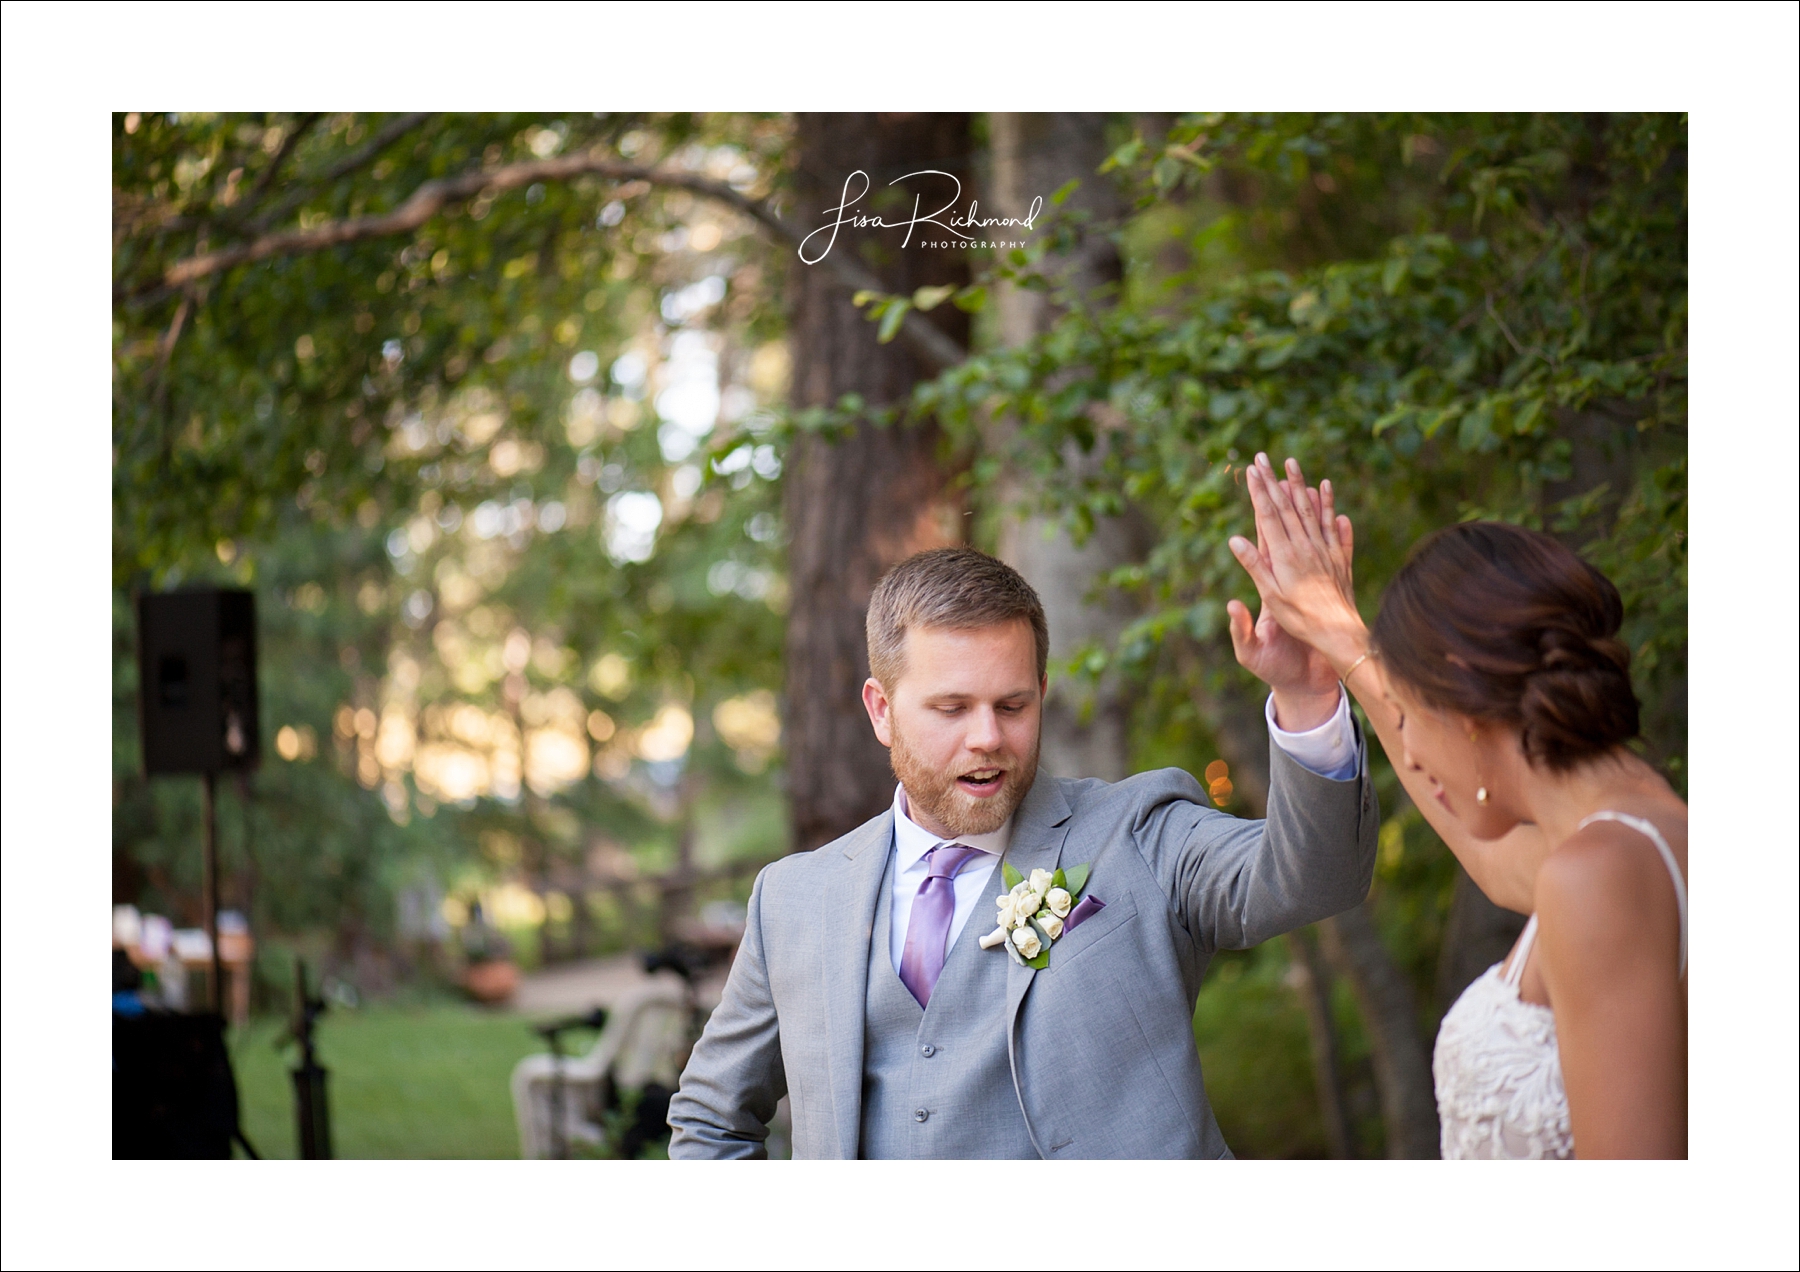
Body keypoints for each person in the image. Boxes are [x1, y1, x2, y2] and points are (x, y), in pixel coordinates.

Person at [669, 546, 1379, 1158]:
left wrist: (1309, 698)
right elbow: (710, 1117)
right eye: (951, 709)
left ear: (1041, 692)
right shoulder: (793, 898)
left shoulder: (1139, 830)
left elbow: (1313, 878)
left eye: (1012, 706)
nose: (988, 738)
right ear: (880, 710)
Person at [1227, 453, 1686, 1159]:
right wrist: (1339, 641)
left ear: (1464, 702)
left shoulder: (1599, 873)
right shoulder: (1642, 834)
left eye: (1409, 715)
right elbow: (1497, 864)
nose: (1407, 753)